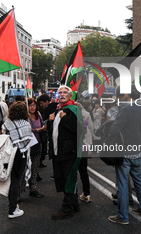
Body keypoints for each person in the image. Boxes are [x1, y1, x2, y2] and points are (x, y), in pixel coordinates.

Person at [108, 86, 141, 225]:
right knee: (139, 181)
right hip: (138, 150)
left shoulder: (125, 110)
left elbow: (114, 130)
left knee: (123, 184)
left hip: (124, 152)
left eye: (120, 95)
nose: (119, 97)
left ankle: (123, 216)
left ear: (126, 95)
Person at [48, 86, 83, 220]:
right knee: (64, 178)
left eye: (65, 93)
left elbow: (78, 130)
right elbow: (57, 132)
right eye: (60, 92)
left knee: (69, 178)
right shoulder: (59, 110)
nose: (62, 94)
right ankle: (74, 203)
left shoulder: (73, 110)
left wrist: (65, 119)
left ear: (70, 96)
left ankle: (67, 208)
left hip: (69, 152)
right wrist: (51, 121)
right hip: (59, 151)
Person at [1, 102, 33, 218]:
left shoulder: (7, 123)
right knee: (15, 180)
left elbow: (2, 134)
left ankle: (12, 205)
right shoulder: (26, 124)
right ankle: (12, 209)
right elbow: (28, 139)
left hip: (9, 154)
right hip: (20, 154)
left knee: (11, 180)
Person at [25, 98, 46, 198]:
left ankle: (33, 188)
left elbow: (41, 125)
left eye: (33, 105)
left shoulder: (39, 115)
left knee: (35, 168)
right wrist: (40, 129)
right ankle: (20, 191)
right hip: (27, 145)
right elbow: (27, 130)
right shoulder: (25, 117)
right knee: (25, 168)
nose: (32, 107)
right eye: (30, 105)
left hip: (38, 144)